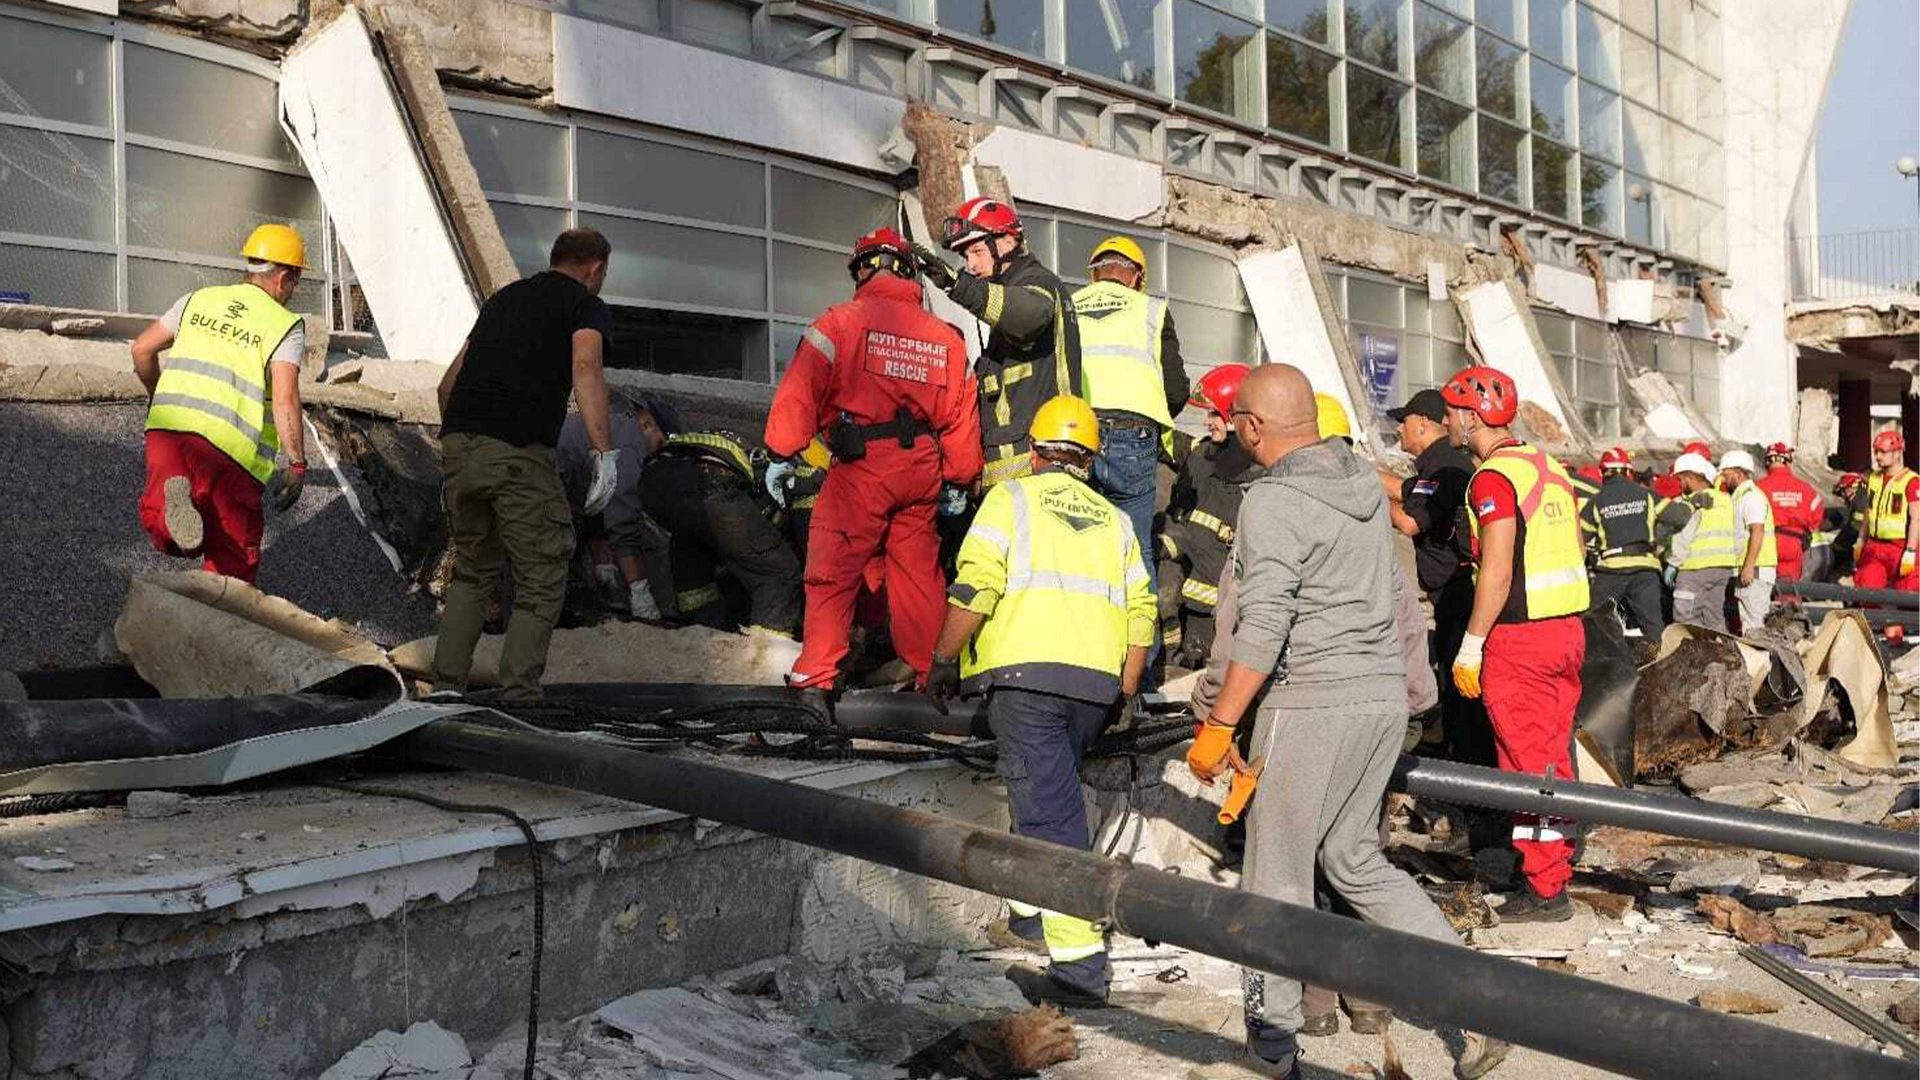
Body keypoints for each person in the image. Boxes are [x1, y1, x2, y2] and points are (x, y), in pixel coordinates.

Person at [1186, 364, 1507, 1080]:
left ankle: (1270, 1042)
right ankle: (1486, 1002)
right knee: (1353, 859)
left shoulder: (1270, 503)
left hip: (1311, 704)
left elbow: (1262, 626)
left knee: (1276, 875)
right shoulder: (1360, 480)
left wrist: (1218, 724)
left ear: (1253, 427)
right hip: (1380, 702)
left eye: (1235, 420)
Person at [924, 395, 1154, 1008]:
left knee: (1051, 818)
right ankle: (1030, 918)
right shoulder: (1115, 521)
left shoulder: (1011, 499)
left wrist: (943, 661)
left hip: (1028, 684)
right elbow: (1142, 613)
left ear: (1033, 452)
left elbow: (975, 586)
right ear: (1090, 462)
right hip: (1094, 690)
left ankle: (1080, 970)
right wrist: (1126, 691)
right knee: (1046, 795)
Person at [766, 227, 982, 689]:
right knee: (918, 577)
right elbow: (962, 415)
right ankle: (932, 677)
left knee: (832, 569)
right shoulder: (947, 338)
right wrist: (960, 476)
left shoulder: (840, 323)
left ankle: (816, 677)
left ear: (861, 270)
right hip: (922, 471)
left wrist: (781, 449)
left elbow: (801, 392)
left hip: (863, 467)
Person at [431, 228, 620, 700]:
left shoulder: (503, 299)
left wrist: (464, 444)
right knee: (541, 575)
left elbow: (446, 385)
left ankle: (445, 689)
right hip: (517, 452)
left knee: (473, 572)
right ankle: (519, 696)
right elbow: (586, 369)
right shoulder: (583, 304)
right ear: (595, 269)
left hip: (459, 443)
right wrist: (604, 452)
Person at [1444, 365, 1588, 924]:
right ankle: (1556, 861)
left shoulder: (1491, 479)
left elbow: (1497, 570)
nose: (1448, 419)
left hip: (1520, 638)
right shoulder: (1546, 466)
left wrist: (1471, 644)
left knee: (1527, 766)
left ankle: (1547, 888)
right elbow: (1575, 544)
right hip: (1567, 632)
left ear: (1473, 415)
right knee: (1553, 756)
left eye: (1454, 409)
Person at [131, 223, 313, 583]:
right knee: (232, 558)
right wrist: (297, 464)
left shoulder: (197, 299)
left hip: (167, 432)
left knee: (165, 526)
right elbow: (285, 399)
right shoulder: (284, 324)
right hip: (229, 451)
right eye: (295, 282)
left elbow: (141, 349)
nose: (293, 291)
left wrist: (159, 397)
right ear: (283, 277)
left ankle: (172, 511)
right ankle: (221, 626)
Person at [912, 198, 1081, 490]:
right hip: (1018, 475)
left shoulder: (1039, 283)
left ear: (1008, 240)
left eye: (977, 251)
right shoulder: (1009, 292)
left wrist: (958, 286)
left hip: (1040, 470)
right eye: (966, 256)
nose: (972, 265)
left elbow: (1029, 315)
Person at [1071, 235, 1188, 584]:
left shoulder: (1069, 304)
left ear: (1094, 275)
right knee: (1135, 551)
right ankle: (1138, 638)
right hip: (1133, 436)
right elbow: (1177, 389)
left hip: (1078, 435)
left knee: (1080, 549)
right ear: (1137, 276)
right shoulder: (1152, 310)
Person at [1381, 387, 1482, 760]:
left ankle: (1467, 775)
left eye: (1403, 422)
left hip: (1459, 593)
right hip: (1450, 592)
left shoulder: (1445, 467)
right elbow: (1405, 491)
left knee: (1462, 690)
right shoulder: (1438, 465)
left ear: (1422, 423)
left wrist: (1369, 495)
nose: (1398, 431)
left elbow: (1409, 520)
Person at [638, 429, 803, 636]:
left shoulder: (726, 445)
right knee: (779, 573)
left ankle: (702, 636)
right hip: (711, 480)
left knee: (693, 548)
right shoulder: (780, 477)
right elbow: (753, 536)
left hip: (654, 484)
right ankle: (765, 653)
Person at [1160, 364, 1259, 668]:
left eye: (1214, 414)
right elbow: (1163, 440)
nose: (1207, 421)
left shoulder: (1259, 474)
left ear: (1234, 417)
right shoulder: (1200, 454)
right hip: (1181, 606)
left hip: (1223, 618)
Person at [556, 389, 675, 620]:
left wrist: (605, 572)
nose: (657, 455)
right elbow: (622, 522)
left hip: (550, 471)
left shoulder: (616, 429)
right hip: (544, 476)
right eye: (660, 444)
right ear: (647, 424)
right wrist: (641, 595)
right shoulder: (632, 443)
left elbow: (595, 508)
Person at [1580, 447, 1669, 638]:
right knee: (1653, 627)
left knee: (1591, 621)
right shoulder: (1646, 495)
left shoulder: (1597, 501)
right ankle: (1659, 661)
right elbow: (1678, 516)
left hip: (1612, 570)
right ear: (1628, 471)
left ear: (1603, 472)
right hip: (1645, 569)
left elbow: (1581, 538)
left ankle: (1593, 664)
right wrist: (1657, 539)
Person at [1663, 453, 1738, 632]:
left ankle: (1694, 656)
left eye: (1681, 479)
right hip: (1723, 569)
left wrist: (1673, 563)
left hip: (1695, 569)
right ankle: (1722, 655)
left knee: (1685, 620)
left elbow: (1683, 535)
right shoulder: (1727, 500)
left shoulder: (1692, 502)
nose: (1680, 485)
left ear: (1690, 477)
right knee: (1713, 619)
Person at [1718, 449, 1778, 633]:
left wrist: (1749, 566)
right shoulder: (1742, 497)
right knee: (1749, 625)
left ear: (1738, 473)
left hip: (1756, 570)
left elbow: (1757, 531)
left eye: (1726, 475)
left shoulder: (1751, 497)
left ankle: (1763, 661)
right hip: (1752, 570)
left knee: (1755, 627)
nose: (1723, 480)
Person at [1854, 430, 1919, 592]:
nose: (1877, 456)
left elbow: (1916, 519)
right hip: (1875, 546)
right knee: (1866, 590)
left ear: (1897, 453)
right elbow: (1869, 511)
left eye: (1882, 452)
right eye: (1876, 451)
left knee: (1908, 595)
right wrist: (1861, 540)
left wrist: (1910, 551)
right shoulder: (1874, 479)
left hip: (1900, 547)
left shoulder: (1911, 482)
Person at [1756, 443, 1822, 583]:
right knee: (1789, 590)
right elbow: (1817, 515)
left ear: (1768, 461)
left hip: (1766, 543)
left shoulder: (1758, 487)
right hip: (1794, 543)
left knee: (1761, 590)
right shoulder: (1806, 489)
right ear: (1788, 462)